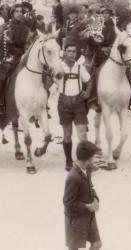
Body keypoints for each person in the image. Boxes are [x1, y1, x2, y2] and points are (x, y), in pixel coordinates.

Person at [0, 4, 30, 115]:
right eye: (16, 11)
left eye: (21, 11)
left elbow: (28, 44)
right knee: (4, 73)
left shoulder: (26, 29)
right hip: (8, 56)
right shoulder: (5, 27)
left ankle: (41, 104)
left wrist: (25, 51)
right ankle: (0, 102)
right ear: (12, 13)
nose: (19, 13)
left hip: (22, 56)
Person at [57, 43, 91, 171]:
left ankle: (83, 162)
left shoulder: (79, 67)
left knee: (82, 134)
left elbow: (89, 80)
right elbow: (50, 80)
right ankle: (68, 161)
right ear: (64, 52)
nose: (71, 53)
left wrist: (87, 92)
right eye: (69, 51)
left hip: (78, 104)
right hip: (64, 103)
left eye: (74, 51)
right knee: (67, 135)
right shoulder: (59, 66)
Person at [63, 141, 101, 250]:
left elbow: (90, 186)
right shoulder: (73, 177)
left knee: (97, 244)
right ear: (88, 159)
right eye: (93, 158)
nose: (94, 160)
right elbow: (67, 202)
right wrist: (86, 206)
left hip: (89, 216)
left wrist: (96, 199)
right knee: (74, 248)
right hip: (75, 219)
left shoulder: (87, 169)